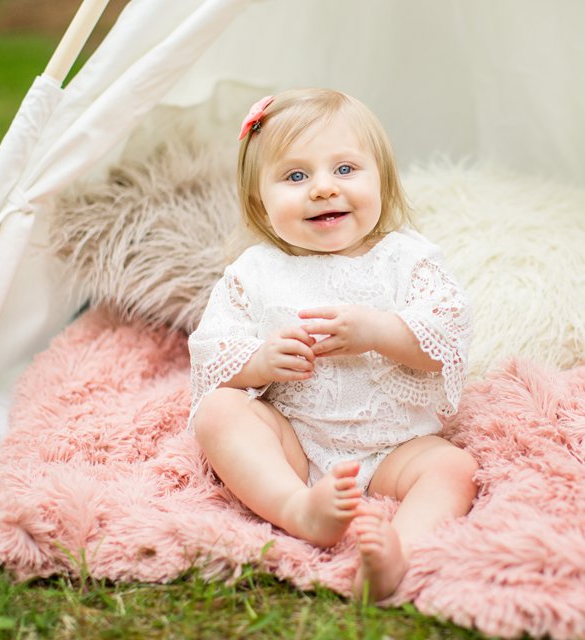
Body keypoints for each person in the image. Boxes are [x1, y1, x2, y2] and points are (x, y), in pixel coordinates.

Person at [188, 88, 477, 601]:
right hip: (295, 440)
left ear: (382, 180)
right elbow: (213, 352)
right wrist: (258, 361)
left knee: (454, 468)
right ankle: (298, 507)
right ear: (260, 199)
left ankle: (396, 555)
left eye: (345, 170)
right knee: (218, 412)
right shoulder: (254, 272)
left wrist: (379, 332)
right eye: (296, 176)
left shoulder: (407, 259)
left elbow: (447, 339)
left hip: (397, 444)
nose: (323, 189)